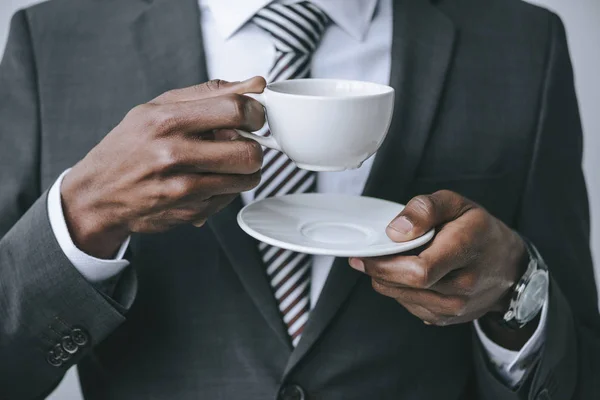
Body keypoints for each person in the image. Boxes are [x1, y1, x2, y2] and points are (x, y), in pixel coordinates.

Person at [0, 0, 598, 399]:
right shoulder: (52, 39)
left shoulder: (522, 43)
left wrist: (516, 292)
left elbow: (582, 371)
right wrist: (82, 216)